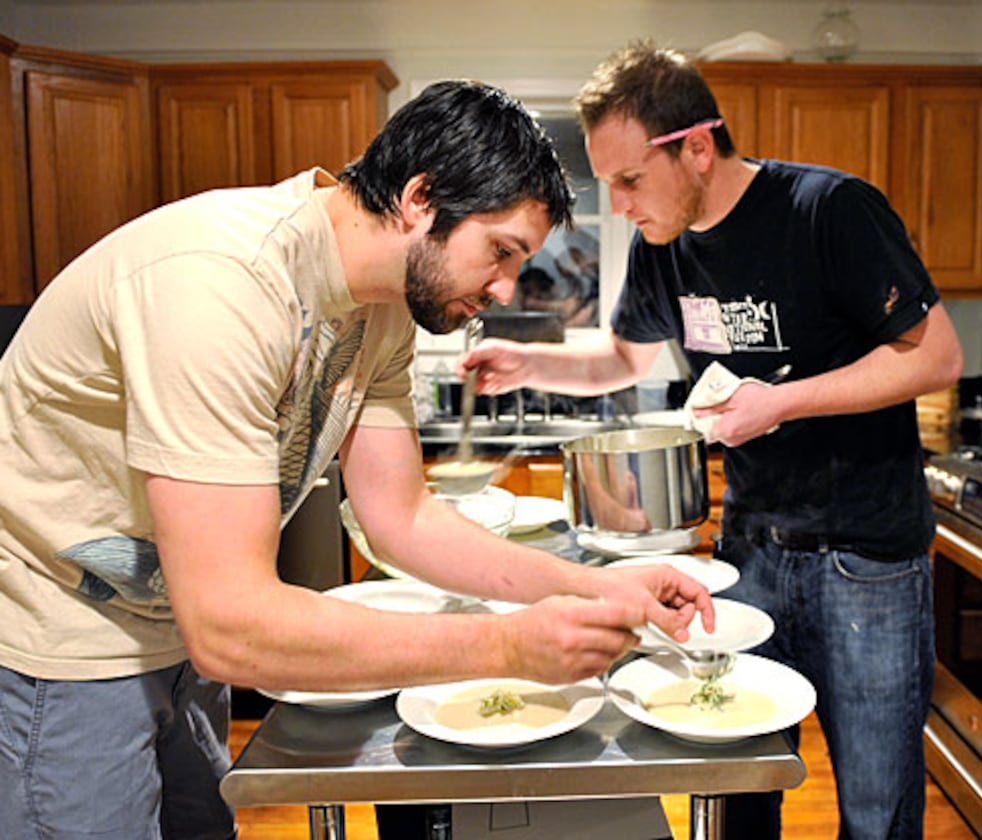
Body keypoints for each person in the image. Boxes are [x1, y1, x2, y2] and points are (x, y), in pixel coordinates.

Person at [0, 79, 715, 839]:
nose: (506, 288)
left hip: (169, 632)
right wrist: (505, 645)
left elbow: (402, 517)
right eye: (499, 251)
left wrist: (597, 588)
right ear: (419, 197)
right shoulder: (220, 285)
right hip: (61, 646)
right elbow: (231, 624)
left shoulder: (380, 309)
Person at [462, 42, 965, 840]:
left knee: (876, 811)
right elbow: (624, 357)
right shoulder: (665, 248)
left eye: (630, 179)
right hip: (747, 552)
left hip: (865, 559)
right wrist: (527, 360)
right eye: (609, 185)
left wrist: (782, 403)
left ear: (697, 146)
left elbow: (936, 353)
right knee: (735, 787)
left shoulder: (826, 210)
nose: (620, 204)